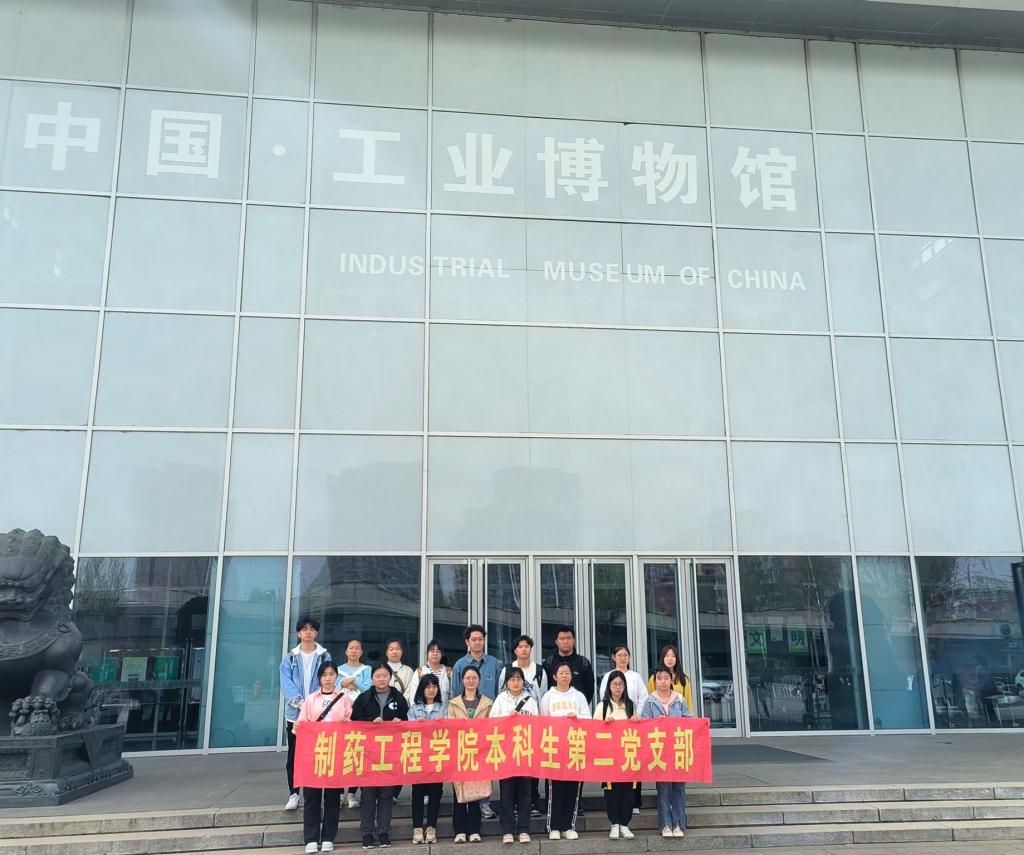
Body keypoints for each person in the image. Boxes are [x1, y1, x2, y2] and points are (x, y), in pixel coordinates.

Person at [295, 661, 352, 854]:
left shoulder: (344, 699)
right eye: (324, 675)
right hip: (314, 753)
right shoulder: (310, 699)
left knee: (332, 797)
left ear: (336, 676)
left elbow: (351, 724)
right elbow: (302, 723)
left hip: (335, 753)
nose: (328, 678)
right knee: (311, 797)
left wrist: (346, 722)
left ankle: (328, 837)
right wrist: (298, 727)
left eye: (331, 674)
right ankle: (311, 838)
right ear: (319, 678)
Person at [351, 663, 409, 849]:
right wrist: (370, 721)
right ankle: (367, 833)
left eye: (385, 675)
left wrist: (400, 722)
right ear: (372, 678)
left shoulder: (398, 698)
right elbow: (354, 722)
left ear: (390, 677)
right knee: (368, 794)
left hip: (390, 754)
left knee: (386, 794)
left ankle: (384, 831)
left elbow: (408, 722)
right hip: (368, 754)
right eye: (378, 676)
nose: (382, 679)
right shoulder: (363, 698)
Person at [279, 616, 332, 811]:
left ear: (316, 633)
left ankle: (319, 789)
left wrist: (314, 704)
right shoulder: (290, 657)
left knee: (320, 753)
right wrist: (301, 703)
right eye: (304, 629)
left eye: (312, 629)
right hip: (295, 714)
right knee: (294, 755)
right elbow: (286, 683)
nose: (308, 632)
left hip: (320, 715)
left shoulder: (324, 656)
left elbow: (328, 679)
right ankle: (294, 793)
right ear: (298, 633)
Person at [451, 625, 501, 819]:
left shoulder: (494, 663)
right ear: (467, 642)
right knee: (466, 764)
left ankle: (485, 804)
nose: (477, 642)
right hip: (464, 724)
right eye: (474, 639)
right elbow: (456, 693)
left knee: (484, 764)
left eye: (480, 639)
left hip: (487, 721)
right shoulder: (459, 665)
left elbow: (498, 691)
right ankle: (466, 800)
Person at [539, 662, 591, 840]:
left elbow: (588, 719)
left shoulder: (579, 696)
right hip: (554, 748)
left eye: (567, 673)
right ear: (554, 676)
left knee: (572, 788)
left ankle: (568, 826)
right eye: (561, 673)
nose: (564, 676)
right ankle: (553, 826)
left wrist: (577, 717)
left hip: (574, 748)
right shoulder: (548, 697)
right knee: (555, 789)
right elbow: (542, 721)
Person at [641, 666, 694, 838]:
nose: (663, 681)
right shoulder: (650, 701)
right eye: (659, 678)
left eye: (666, 678)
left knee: (679, 787)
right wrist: (656, 722)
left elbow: (689, 720)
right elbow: (643, 724)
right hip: (659, 751)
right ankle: (665, 824)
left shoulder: (679, 699)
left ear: (671, 680)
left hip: (677, 749)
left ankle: (678, 823)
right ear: (655, 681)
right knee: (663, 788)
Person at [490, 667, 538, 844]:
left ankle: (524, 829)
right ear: (506, 682)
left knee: (525, 793)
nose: (515, 682)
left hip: (525, 751)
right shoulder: (500, 699)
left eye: (519, 679)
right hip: (506, 752)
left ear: (523, 682)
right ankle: (508, 830)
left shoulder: (531, 701)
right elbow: (492, 722)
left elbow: (538, 724)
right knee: (507, 793)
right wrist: (507, 718)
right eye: (512, 679)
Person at [598, 646, 648, 814]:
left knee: (632, 761)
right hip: (613, 728)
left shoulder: (635, 677)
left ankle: (634, 802)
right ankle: (613, 802)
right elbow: (604, 697)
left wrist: (637, 715)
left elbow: (643, 697)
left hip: (631, 724)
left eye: (625, 655)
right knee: (614, 764)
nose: (622, 658)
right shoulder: (608, 676)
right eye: (619, 655)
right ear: (613, 657)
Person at [447, 665, 493, 843]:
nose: (471, 681)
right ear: (462, 680)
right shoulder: (453, 703)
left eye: (474, 678)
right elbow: (450, 727)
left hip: (479, 752)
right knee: (458, 793)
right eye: (468, 678)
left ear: (479, 680)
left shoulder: (488, 703)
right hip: (459, 752)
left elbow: (491, 727)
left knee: (476, 793)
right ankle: (459, 831)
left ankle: (474, 830)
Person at [595, 670, 637, 840]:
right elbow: (593, 730)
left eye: (620, 684)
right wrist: (605, 724)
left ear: (625, 687)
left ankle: (625, 824)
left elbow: (638, 730)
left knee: (628, 793)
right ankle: (614, 824)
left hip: (627, 755)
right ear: (609, 686)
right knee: (612, 793)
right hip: (609, 757)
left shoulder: (631, 705)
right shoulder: (603, 706)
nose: (617, 687)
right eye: (614, 684)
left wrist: (636, 721)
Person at [407, 674, 447, 845]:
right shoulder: (414, 709)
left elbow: (451, 731)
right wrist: (416, 724)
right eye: (427, 687)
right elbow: (407, 731)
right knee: (417, 793)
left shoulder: (444, 708)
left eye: (434, 686)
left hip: (438, 756)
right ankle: (417, 828)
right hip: (419, 756)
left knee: (435, 793)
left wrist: (443, 724)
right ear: (422, 689)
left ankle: (431, 827)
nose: (431, 690)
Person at [337, 639, 371, 809]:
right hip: (340, 718)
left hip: (359, 716)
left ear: (362, 652)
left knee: (357, 754)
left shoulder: (367, 669)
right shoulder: (337, 670)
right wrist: (342, 683)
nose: (354, 651)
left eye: (357, 648)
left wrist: (354, 681)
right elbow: (332, 689)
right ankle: (338, 792)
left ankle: (351, 792)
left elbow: (368, 690)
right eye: (351, 648)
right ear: (346, 651)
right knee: (339, 755)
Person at [542, 625, 595, 705]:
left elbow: (589, 689)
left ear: (573, 640)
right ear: (556, 641)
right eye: (562, 639)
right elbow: (544, 688)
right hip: (554, 708)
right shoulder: (549, 663)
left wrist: (581, 706)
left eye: (569, 638)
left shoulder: (583, 662)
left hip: (577, 709)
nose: (566, 641)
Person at [646, 644, 694, 712]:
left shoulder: (683, 679)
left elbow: (688, 704)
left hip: (678, 716)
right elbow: (649, 700)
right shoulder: (654, 678)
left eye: (673, 656)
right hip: (658, 715)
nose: (670, 659)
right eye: (667, 656)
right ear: (662, 658)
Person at [406, 639, 453, 706]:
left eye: (438, 651)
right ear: (427, 653)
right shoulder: (419, 672)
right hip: (422, 711)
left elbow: (453, 697)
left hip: (444, 711)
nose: (435, 654)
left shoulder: (449, 672)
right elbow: (413, 698)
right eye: (432, 651)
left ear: (442, 654)